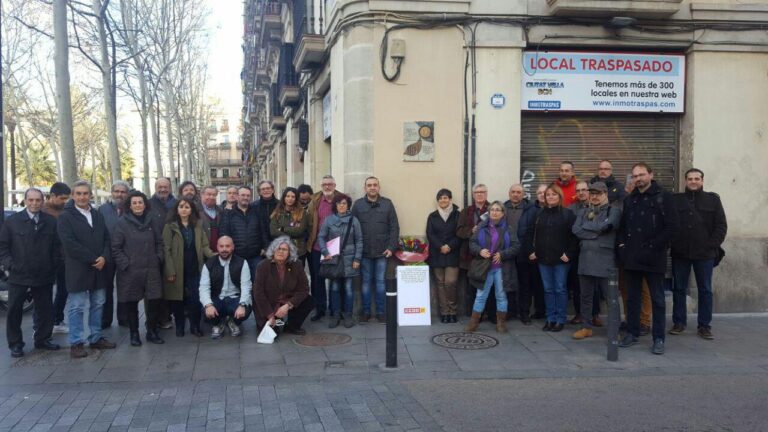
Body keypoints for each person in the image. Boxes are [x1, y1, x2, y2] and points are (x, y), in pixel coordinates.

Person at [617, 163, 678, 355]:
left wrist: (653, 246)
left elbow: (672, 227)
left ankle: (658, 338)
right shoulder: (630, 199)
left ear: (651, 175)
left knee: (658, 300)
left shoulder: (664, 197)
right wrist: (622, 247)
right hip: (632, 258)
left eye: (642, 175)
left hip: (654, 258)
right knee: (632, 298)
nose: (638, 179)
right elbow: (623, 227)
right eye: (635, 176)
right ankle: (632, 333)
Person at [57, 180, 116, 358]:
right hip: (79, 269)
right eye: (79, 193)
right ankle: (76, 342)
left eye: (85, 193)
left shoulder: (97, 214)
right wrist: (93, 258)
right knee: (76, 307)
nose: (82, 197)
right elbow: (69, 243)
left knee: (98, 304)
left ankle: (96, 337)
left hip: (99, 268)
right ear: (73, 196)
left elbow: (106, 238)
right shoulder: (65, 217)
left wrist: (104, 257)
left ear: (90, 195)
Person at [0, 188, 62, 358]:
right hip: (18, 275)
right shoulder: (13, 222)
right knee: (14, 310)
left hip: (44, 274)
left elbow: (57, 246)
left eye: (37, 200)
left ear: (42, 201)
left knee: (45, 309)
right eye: (31, 200)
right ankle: (15, 344)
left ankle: (42, 339)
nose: (34, 203)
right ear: (25, 201)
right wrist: (10, 265)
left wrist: (53, 264)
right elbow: (3, 247)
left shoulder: (50, 221)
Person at [670, 168, 727, 340]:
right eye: (690, 178)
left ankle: (704, 326)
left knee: (705, 290)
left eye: (697, 178)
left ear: (702, 180)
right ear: (685, 181)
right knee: (678, 288)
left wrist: (711, 246)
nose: (693, 181)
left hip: (704, 254)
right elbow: (669, 224)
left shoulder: (713, 200)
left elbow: (721, 226)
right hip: (681, 252)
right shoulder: (676, 200)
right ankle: (679, 323)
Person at [110, 191, 164, 346]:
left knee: (153, 302)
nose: (138, 205)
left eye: (140, 202)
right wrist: (125, 264)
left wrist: (159, 257)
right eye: (134, 203)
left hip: (151, 268)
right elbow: (116, 247)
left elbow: (159, 242)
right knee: (131, 303)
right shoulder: (122, 223)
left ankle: (152, 331)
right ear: (130, 205)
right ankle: (134, 334)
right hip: (130, 271)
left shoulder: (152, 220)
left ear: (145, 204)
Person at [571, 182, 622, 340]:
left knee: (610, 297)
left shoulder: (614, 211)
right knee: (585, 296)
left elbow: (609, 226)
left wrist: (589, 228)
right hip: (585, 259)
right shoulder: (583, 211)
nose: (594, 196)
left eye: (598, 193)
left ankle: (614, 329)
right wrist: (597, 231)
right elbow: (576, 230)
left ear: (605, 194)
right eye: (592, 193)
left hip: (605, 260)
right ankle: (586, 327)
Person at [162, 197, 216, 337]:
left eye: (187, 207)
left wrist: (214, 256)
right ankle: (179, 326)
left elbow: (204, 245)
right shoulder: (170, 226)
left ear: (191, 209)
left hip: (194, 267)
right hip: (176, 269)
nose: (184, 209)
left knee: (195, 299)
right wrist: (170, 270)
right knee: (177, 299)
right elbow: (165, 249)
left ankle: (195, 326)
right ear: (177, 209)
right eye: (181, 206)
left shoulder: (197, 225)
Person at [465, 201, 520, 333]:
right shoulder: (481, 227)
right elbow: (472, 243)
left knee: (501, 296)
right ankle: (474, 322)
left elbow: (516, 246)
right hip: (485, 268)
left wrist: (503, 254)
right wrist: (480, 251)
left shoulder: (509, 229)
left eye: (498, 210)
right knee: (480, 295)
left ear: (502, 213)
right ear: (489, 213)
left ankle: (501, 323)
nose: (495, 212)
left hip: (502, 268)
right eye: (492, 210)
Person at [530, 184, 578, 332]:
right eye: (548, 195)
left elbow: (575, 237)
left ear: (559, 196)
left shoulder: (567, 214)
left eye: (553, 194)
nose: (550, 197)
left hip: (561, 260)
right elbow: (533, 234)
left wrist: (569, 253)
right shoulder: (540, 214)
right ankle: (550, 318)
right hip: (543, 259)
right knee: (548, 290)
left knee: (560, 289)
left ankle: (560, 319)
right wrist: (535, 250)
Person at [352, 176, 400, 323]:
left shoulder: (387, 204)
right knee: (365, 282)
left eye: (375, 185)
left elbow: (394, 227)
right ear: (365, 188)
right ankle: (366, 312)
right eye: (369, 185)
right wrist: (356, 252)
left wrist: (391, 248)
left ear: (379, 187)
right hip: (364, 252)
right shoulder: (358, 205)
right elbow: (352, 228)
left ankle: (381, 312)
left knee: (380, 282)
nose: (372, 187)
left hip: (382, 252)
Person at [253, 236, 315, 335]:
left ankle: (291, 326)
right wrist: (270, 315)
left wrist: (288, 305)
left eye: (284, 249)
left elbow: (304, 289)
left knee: (309, 300)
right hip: (269, 304)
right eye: (278, 248)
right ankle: (271, 320)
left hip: (286, 301)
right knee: (272, 334)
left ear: (289, 253)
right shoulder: (263, 266)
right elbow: (258, 293)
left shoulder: (296, 265)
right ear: (273, 250)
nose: (281, 252)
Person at [317, 193, 363, 328]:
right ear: (335, 206)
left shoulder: (354, 220)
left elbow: (359, 240)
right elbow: (321, 237)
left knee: (349, 288)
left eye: (344, 203)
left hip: (350, 260)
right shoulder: (328, 220)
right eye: (339, 203)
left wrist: (357, 258)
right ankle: (336, 314)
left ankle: (348, 314)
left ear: (348, 205)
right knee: (335, 288)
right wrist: (325, 252)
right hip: (334, 259)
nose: (341, 206)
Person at [306, 175, 344, 321]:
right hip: (317, 246)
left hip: (336, 246)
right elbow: (309, 221)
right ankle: (319, 308)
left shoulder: (341, 200)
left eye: (330, 184)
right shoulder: (315, 200)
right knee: (317, 279)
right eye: (324, 184)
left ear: (334, 185)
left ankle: (336, 309)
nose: (327, 187)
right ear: (321, 186)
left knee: (336, 278)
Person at [199, 236, 252, 339]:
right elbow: (203, 287)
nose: (224, 249)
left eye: (227, 246)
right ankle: (218, 323)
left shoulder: (242, 262)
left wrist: (242, 304)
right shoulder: (209, 264)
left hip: (235, 298)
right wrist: (208, 305)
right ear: (217, 247)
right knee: (206, 311)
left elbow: (246, 286)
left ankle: (233, 321)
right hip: (217, 297)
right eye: (221, 246)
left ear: (232, 247)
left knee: (246, 310)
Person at [426, 189, 462, 323]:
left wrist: (450, 246)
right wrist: (440, 246)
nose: (443, 200)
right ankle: (444, 312)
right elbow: (430, 234)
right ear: (438, 200)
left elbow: (460, 233)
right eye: (440, 198)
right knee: (440, 284)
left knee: (450, 283)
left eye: (445, 198)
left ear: (450, 199)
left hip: (453, 253)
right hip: (437, 253)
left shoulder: (458, 215)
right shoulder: (432, 216)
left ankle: (453, 310)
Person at [99, 180, 130, 329]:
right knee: (106, 288)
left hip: (126, 255)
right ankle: (105, 319)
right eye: (117, 191)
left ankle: (124, 318)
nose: (119, 194)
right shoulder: (102, 210)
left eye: (123, 191)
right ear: (112, 193)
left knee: (124, 287)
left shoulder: (132, 208)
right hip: (107, 255)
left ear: (127, 194)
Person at [219, 186, 268, 279]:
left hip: (255, 255)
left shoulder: (257, 212)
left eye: (248, 195)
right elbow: (224, 233)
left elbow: (263, 231)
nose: (245, 197)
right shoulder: (228, 213)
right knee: (239, 283)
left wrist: (265, 247)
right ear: (237, 196)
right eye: (243, 195)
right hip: (236, 256)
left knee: (256, 281)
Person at [457, 184, 490, 317]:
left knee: (487, 286)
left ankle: (488, 313)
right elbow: (459, 231)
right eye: (477, 192)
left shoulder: (492, 209)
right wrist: (471, 231)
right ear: (473, 195)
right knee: (471, 287)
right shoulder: (466, 211)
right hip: (469, 255)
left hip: (487, 254)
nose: (479, 194)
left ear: (486, 194)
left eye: (482, 192)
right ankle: (473, 314)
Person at [43, 182, 71, 334]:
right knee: (44, 293)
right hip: (45, 259)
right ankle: (40, 325)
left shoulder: (66, 211)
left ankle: (57, 319)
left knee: (63, 290)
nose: (64, 201)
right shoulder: (41, 211)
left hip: (63, 259)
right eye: (62, 198)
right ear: (52, 196)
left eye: (67, 199)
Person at [517, 184, 547, 324]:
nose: (542, 195)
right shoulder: (529, 209)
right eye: (539, 192)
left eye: (545, 192)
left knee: (541, 285)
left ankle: (541, 311)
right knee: (526, 286)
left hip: (546, 255)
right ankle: (525, 313)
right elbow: (525, 232)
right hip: (528, 255)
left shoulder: (554, 209)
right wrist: (530, 251)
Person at [567, 181, 595, 326]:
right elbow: (571, 231)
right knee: (577, 285)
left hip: (594, 251)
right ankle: (579, 313)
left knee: (595, 284)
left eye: (584, 190)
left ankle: (594, 314)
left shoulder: (597, 207)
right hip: (576, 252)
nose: (581, 193)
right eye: (578, 190)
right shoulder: (571, 209)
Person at [503, 184, 531, 321]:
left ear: (523, 194)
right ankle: (510, 311)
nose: (515, 194)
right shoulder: (503, 208)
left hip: (524, 251)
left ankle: (524, 313)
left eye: (519, 192)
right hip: (506, 251)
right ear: (509, 193)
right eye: (513, 192)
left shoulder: (529, 209)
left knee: (524, 283)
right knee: (507, 282)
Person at [270, 187, 311, 264]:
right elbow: (273, 231)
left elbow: (300, 231)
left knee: (297, 274)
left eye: (293, 197)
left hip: (298, 251)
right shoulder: (277, 213)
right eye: (288, 196)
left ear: (296, 199)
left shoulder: (303, 213)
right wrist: (289, 237)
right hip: (281, 251)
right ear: (284, 198)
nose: (290, 199)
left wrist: (283, 229)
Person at [200, 186, 223, 252]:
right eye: (209, 194)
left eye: (214, 195)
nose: (212, 197)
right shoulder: (195, 211)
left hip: (218, 251)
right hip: (201, 251)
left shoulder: (221, 211)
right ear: (202, 195)